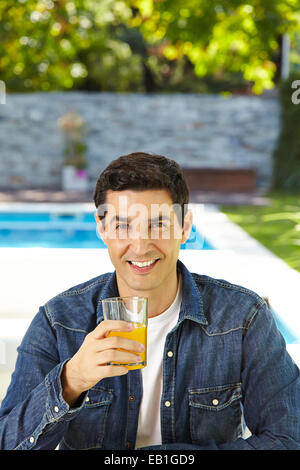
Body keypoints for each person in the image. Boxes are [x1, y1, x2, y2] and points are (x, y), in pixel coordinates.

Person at [0, 152, 299, 450]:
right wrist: (71, 380)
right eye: (122, 226)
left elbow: (288, 438)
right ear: (102, 228)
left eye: (157, 224)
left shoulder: (242, 318)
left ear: (184, 227)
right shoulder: (59, 322)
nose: (140, 246)